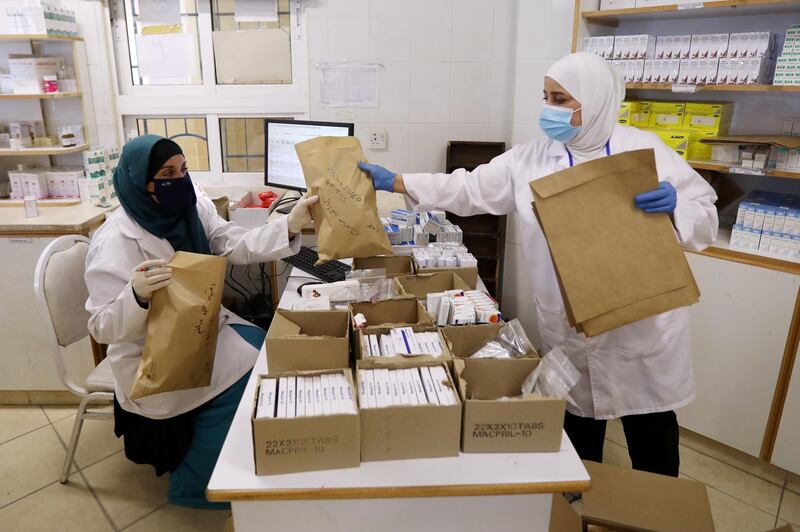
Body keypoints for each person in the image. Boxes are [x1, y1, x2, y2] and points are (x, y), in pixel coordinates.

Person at [358, 52, 718, 477]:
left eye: (561, 99)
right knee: (579, 435)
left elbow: (705, 216)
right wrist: (398, 180)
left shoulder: (645, 151)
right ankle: (583, 510)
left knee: (652, 436)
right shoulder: (530, 159)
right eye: (546, 97)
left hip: (640, 325)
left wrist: (679, 209)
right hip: (572, 322)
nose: (549, 109)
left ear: (597, 100)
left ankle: (655, 513)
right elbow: (468, 187)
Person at [84, 135, 317, 508]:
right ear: (138, 182)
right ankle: (195, 484)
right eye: (166, 173)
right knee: (247, 376)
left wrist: (289, 224)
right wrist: (136, 297)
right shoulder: (115, 240)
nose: (180, 180)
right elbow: (100, 326)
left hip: (196, 326)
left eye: (183, 169)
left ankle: (240, 451)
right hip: (151, 355)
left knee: (265, 347)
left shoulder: (190, 206)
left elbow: (229, 242)